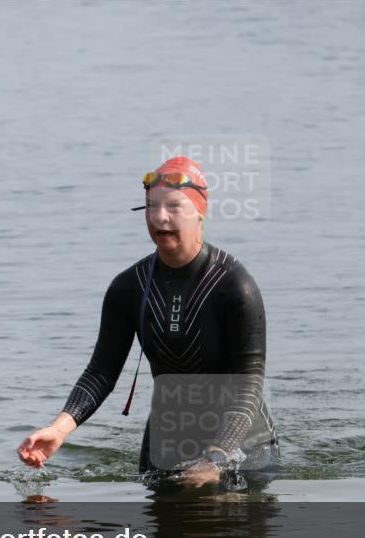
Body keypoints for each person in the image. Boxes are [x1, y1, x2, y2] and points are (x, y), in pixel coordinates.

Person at [18, 157, 278, 488]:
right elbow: (101, 371)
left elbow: (249, 384)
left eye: (173, 206)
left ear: (200, 211)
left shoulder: (235, 285)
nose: (160, 217)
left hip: (242, 446)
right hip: (166, 442)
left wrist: (217, 458)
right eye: (151, 207)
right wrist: (58, 429)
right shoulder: (129, 287)